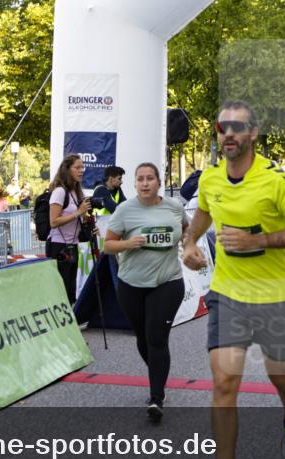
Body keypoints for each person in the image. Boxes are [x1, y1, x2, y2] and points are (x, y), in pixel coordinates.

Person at [181, 100, 285, 459]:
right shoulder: (210, 178)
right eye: (222, 128)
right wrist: (188, 243)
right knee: (224, 383)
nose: (228, 135)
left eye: (236, 128)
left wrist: (259, 241)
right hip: (227, 295)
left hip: (273, 296)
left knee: (280, 375)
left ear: (253, 133)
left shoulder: (275, 182)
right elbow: (204, 212)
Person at [104, 162, 187, 422]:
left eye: (150, 178)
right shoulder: (125, 210)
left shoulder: (174, 207)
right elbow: (108, 245)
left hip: (168, 281)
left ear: (158, 182)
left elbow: (187, 228)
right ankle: (158, 374)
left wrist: (189, 243)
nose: (145, 183)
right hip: (131, 284)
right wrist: (128, 243)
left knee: (156, 337)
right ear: (135, 183)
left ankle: (156, 397)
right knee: (142, 337)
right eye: (140, 179)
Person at [46, 155, 96, 304]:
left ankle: (71, 321)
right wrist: (78, 213)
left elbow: (77, 219)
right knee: (60, 289)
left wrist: (88, 224)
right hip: (58, 246)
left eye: (82, 167)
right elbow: (53, 222)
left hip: (72, 245)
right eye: (77, 167)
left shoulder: (76, 191)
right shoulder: (60, 192)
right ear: (67, 170)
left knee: (70, 289)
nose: (81, 171)